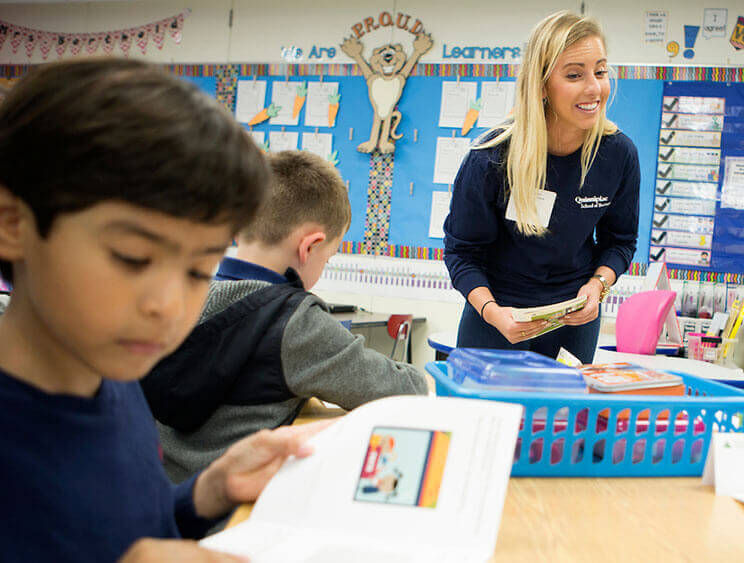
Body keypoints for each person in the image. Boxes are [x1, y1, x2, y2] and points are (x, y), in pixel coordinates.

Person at [0, 58, 335, 562]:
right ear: (12, 222)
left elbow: (133, 527)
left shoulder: (114, 376)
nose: (168, 306)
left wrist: (209, 491)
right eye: (133, 258)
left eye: (200, 270)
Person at [142, 150, 428, 484]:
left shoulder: (182, 292)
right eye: (329, 257)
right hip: (234, 508)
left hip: (164, 494)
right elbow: (403, 388)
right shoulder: (297, 323)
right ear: (309, 247)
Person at [444, 11, 639, 363]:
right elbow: (463, 252)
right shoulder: (492, 158)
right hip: (497, 318)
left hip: (572, 322)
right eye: (574, 75)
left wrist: (597, 287)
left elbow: (620, 241)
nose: (594, 87)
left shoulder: (618, 154)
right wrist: (491, 311)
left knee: (561, 420)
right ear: (542, 83)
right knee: (492, 419)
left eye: (600, 71)